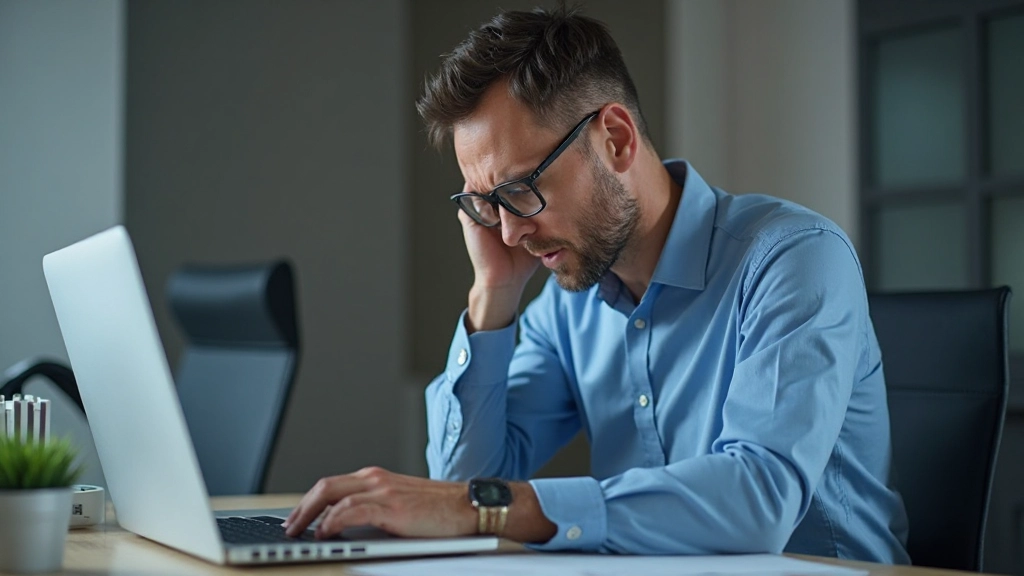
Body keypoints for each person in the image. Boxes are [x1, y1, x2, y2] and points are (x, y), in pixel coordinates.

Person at [284, 6, 910, 563]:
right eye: (485, 204)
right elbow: (467, 480)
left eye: (522, 190)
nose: (506, 233)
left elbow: (760, 498)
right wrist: (492, 297)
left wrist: (487, 506)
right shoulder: (568, 305)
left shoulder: (793, 259)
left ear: (614, 139)